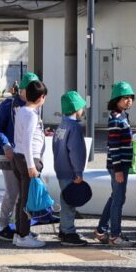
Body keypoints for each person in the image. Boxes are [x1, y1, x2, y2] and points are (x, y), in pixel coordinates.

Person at [0, 71, 38, 242]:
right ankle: (3, 226)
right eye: (31, 89)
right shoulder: (8, 105)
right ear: (22, 90)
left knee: (25, 193)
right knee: (12, 192)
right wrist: (6, 145)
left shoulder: (32, 107)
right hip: (9, 154)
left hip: (24, 155)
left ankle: (22, 228)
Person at [94, 81, 136, 247]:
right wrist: (118, 168)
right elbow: (114, 145)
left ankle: (101, 230)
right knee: (119, 199)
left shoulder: (124, 116)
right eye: (125, 98)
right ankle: (115, 235)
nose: (128, 101)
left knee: (115, 197)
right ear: (116, 100)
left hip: (122, 164)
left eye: (130, 97)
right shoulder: (115, 119)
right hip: (118, 165)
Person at [13, 78, 48, 248]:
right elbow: (27, 140)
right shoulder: (32, 115)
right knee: (28, 199)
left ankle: (19, 232)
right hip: (29, 159)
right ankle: (24, 235)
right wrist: (31, 165)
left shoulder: (21, 110)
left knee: (22, 197)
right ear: (41, 97)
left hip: (18, 156)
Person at [54, 90, 89, 246]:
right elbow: (76, 151)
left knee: (65, 199)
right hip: (71, 171)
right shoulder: (74, 127)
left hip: (60, 169)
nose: (82, 110)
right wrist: (78, 172)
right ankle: (68, 231)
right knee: (70, 203)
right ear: (76, 109)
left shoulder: (61, 125)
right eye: (81, 107)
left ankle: (63, 228)